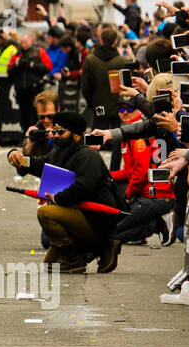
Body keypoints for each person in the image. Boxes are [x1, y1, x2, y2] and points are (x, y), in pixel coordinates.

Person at [7, 111, 121, 274]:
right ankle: (96, 249)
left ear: (75, 135)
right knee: (50, 261)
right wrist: (15, 155)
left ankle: (83, 254)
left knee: (46, 213)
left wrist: (57, 198)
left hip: (96, 220)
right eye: (54, 131)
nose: (55, 136)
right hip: (80, 214)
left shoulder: (88, 155)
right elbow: (41, 166)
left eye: (60, 132)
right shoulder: (61, 152)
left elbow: (84, 187)